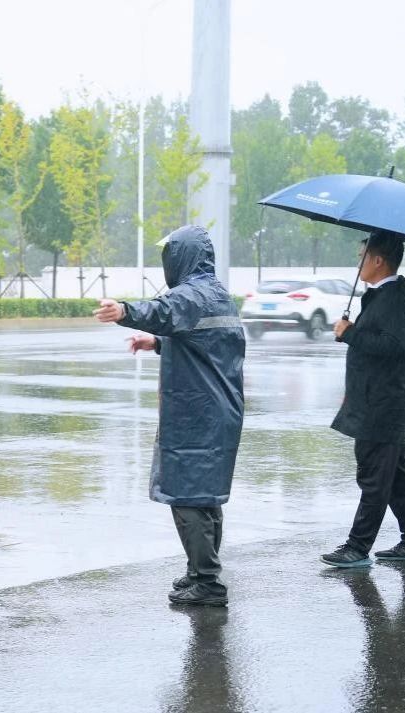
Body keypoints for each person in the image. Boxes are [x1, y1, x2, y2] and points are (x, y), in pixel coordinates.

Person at [93, 225, 245, 607]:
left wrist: (124, 311)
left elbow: (162, 311)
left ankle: (208, 583)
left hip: (197, 413)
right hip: (218, 410)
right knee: (205, 498)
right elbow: (203, 342)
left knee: (188, 497)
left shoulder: (189, 295)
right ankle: (200, 570)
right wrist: (158, 342)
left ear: (180, 258)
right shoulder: (217, 294)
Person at [323, 231, 405, 566]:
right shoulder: (383, 296)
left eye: (362, 257)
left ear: (378, 260)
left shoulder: (391, 299)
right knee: (396, 476)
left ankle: (357, 547)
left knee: (374, 476)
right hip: (378, 398)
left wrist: (351, 333)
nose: (358, 263)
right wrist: (352, 334)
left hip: (383, 403)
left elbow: (391, 346)